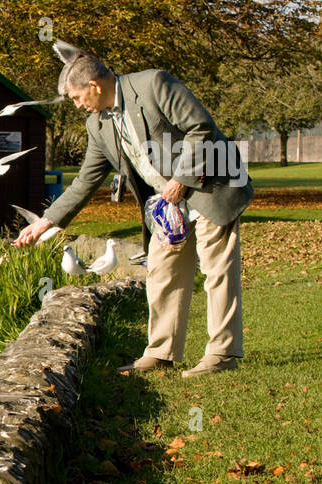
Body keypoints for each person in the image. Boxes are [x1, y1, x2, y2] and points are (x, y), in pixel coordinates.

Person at [15, 51, 253, 378]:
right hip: (167, 204)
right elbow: (85, 180)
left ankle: (222, 354)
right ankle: (161, 353)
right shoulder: (97, 124)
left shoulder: (154, 85)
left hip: (209, 182)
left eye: (76, 97)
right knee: (161, 270)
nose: (76, 105)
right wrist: (44, 223)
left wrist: (180, 181)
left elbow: (202, 129)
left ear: (95, 86)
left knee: (216, 269)